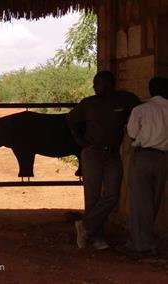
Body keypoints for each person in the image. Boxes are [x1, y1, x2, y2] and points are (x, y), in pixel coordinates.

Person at [67, 70, 140, 250]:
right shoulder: (88, 104)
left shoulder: (125, 99)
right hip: (92, 153)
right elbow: (70, 120)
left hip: (113, 154)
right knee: (92, 195)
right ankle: (95, 236)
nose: (93, 87)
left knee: (112, 195)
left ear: (107, 84)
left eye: (96, 84)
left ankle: (85, 226)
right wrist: (81, 142)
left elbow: (140, 109)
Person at [118, 77, 168, 257]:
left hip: (143, 156)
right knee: (154, 200)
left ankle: (140, 245)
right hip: (162, 159)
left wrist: (140, 139)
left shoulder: (141, 109)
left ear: (150, 90)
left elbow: (131, 132)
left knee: (140, 202)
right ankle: (147, 241)